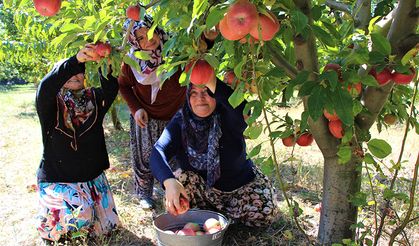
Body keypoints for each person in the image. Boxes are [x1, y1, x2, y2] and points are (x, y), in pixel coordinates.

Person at [150, 76, 277, 227]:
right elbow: (158, 152)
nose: (200, 98)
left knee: (265, 213)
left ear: (216, 94)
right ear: (188, 97)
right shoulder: (181, 121)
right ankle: (210, 216)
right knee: (179, 189)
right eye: (194, 93)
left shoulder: (230, 115)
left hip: (240, 186)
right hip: (204, 190)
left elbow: (243, 109)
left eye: (207, 91)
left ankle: (218, 217)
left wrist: (208, 76)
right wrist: (169, 182)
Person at [35, 44, 120, 242]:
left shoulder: (94, 100)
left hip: (91, 179)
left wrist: (104, 60)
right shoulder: (49, 104)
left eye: (79, 71)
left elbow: (110, 89)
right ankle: (51, 225)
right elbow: (45, 87)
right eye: (69, 70)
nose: (75, 74)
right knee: (76, 217)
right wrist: (75, 60)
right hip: (59, 179)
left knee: (105, 228)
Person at [118, 16, 186, 209]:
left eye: (150, 32)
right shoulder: (132, 61)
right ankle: (144, 194)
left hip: (176, 116)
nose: (147, 40)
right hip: (146, 117)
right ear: (133, 41)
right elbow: (123, 85)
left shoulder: (175, 52)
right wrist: (135, 108)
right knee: (144, 157)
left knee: (176, 157)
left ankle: (175, 191)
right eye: (140, 38)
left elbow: (191, 77)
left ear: (157, 29)